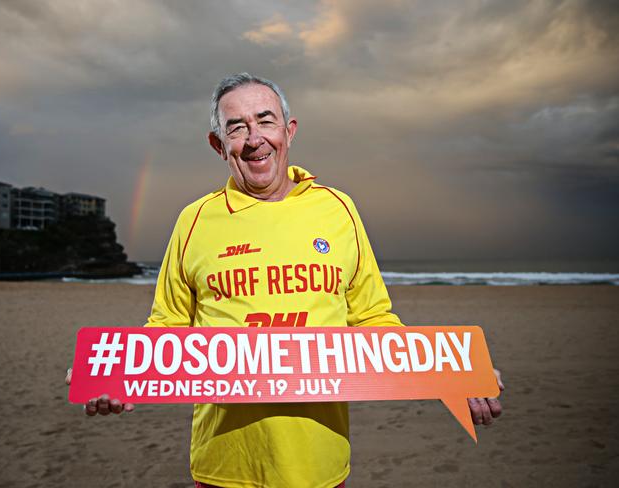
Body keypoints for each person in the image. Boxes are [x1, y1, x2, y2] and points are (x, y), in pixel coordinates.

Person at [67, 73, 503, 487]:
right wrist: (116, 374)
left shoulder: (338, 210)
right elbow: (167, 328)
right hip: (224, 465)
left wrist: (451, 372)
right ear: (219, 145)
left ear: (289, 131)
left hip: (321, 464)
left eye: (265, 121)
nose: (254, 139)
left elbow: (373, 319)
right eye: (236, 128)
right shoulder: (194, 220)